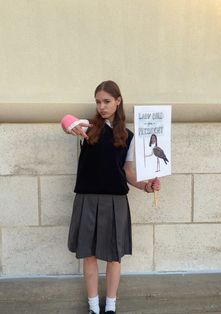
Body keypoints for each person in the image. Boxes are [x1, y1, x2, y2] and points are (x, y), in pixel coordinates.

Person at [61, 80, 160, 314]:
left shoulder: (129, 135)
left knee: (114, 256)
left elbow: (127, 172)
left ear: (118, 101)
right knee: (90, 255)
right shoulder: (87, 127)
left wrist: (146, 187)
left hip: (115, 202)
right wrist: (68, 121)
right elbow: (66, 122)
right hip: (87, 199)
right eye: (98, 102)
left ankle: (111, 305)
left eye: (107, 101)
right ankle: (93, 306)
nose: (102, 106)